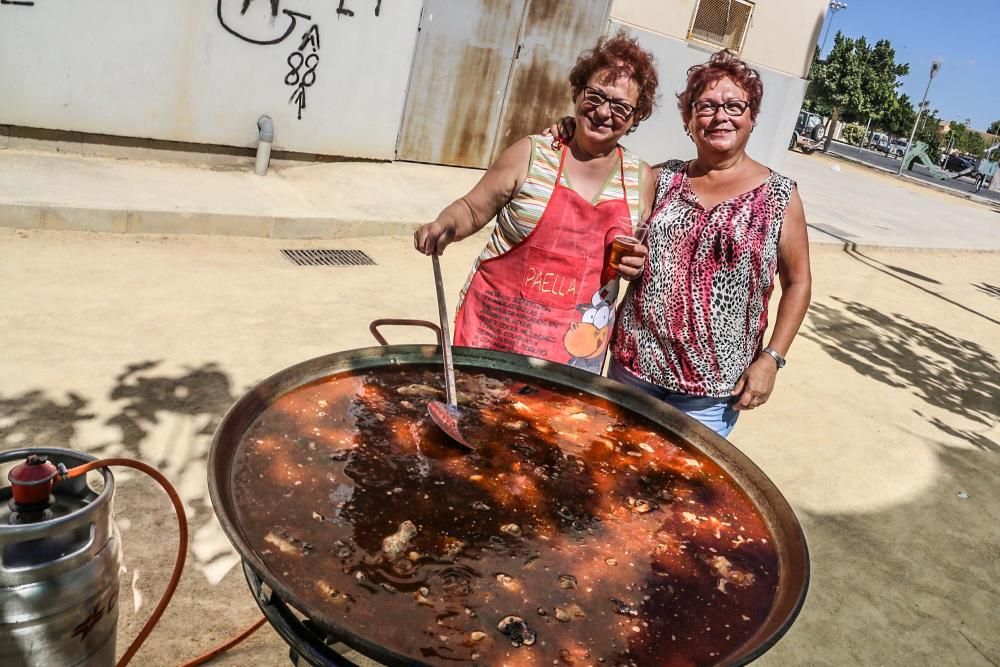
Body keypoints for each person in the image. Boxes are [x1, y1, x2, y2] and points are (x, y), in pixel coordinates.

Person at [552, 51, 811, 436]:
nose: (720, 116)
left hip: (711, 394)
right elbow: (602, 161)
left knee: (681, 493)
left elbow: (799, 283)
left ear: (752, 118)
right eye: (705, 106)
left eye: (734, 106)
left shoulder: (779, 197)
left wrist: (772, 359)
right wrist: (569, 130)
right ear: (689, 121)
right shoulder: (661, 179)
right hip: (632, 370)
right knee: (612, 475)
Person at [413, 31, 658, 373]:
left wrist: (635, 269)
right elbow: (471, 209)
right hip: (496, 332)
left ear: (635, 118)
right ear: (577, 92)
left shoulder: (642, 179)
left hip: (573, 352)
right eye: (596, 95)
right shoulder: (532, 153)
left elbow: (642, 257)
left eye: (620, 106)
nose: (603, 112)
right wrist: (444, 225)